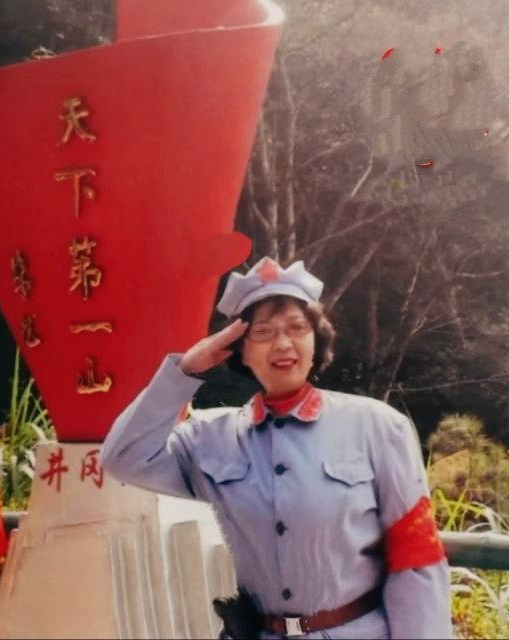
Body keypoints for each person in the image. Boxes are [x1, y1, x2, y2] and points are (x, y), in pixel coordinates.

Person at [99, 257, 452, 639]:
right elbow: (122, 458)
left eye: (297, 328)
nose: (283, 344)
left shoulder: (378, 427)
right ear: (239, 349)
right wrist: (184, 371)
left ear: (316, 340)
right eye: (263, 332)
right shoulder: (208, 438)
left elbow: (416, 557)